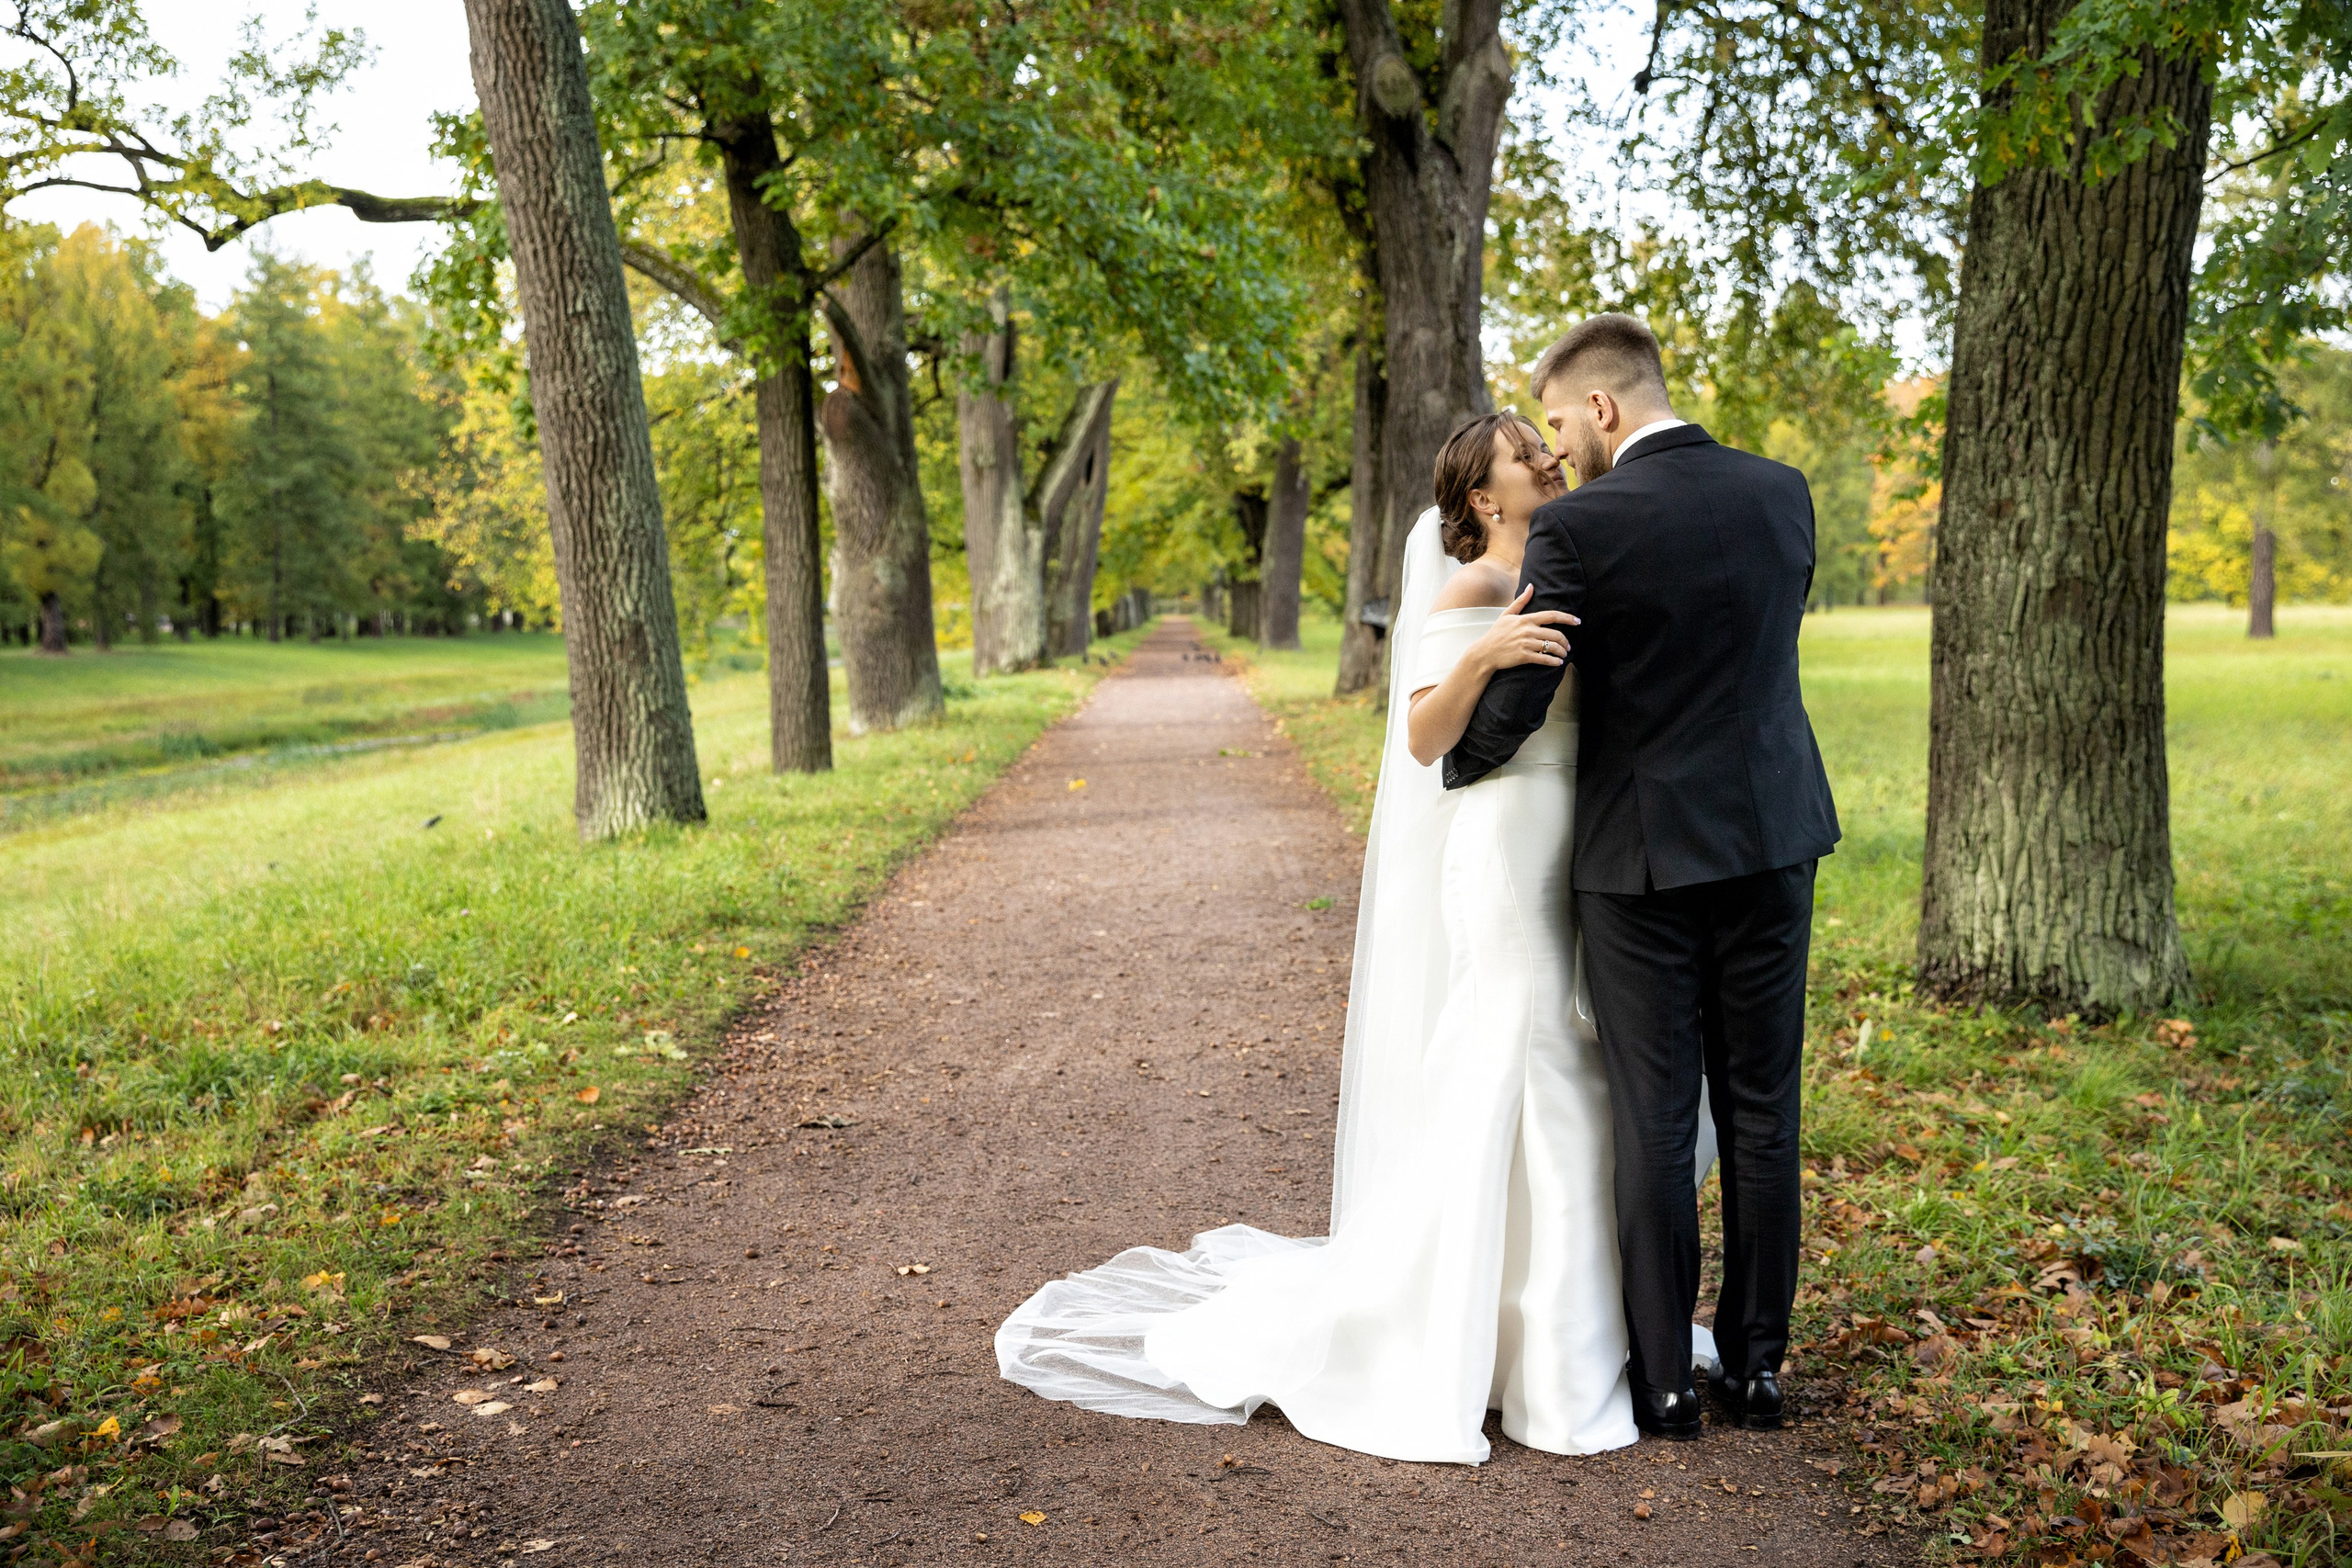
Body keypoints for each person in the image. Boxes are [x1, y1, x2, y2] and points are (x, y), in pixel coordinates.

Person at [994, 409, 1716, 1464]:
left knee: (1585, 1054)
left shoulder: (1577, 565)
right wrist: (1490, 656)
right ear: (1485, 497)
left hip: (1588, 841)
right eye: (1528, 456)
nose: (1550, 462)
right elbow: (1424, 736)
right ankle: (1503, 1351)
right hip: (1506, 840)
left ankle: (1569, 1332)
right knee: (1525, 1049)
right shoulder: (1470, 590)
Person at [1445, 314, 1840, 1438]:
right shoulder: (1784, 491)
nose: (1563, 446)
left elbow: (1522, 700)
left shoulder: (1578, 525)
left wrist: (1455, 768)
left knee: (1657, 1121)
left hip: (1641, 859)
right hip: (1773, 839)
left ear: (1604, 407)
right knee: (1764, 1110)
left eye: (1564, 420)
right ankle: (1758, 1371)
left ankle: (1665, 1381)